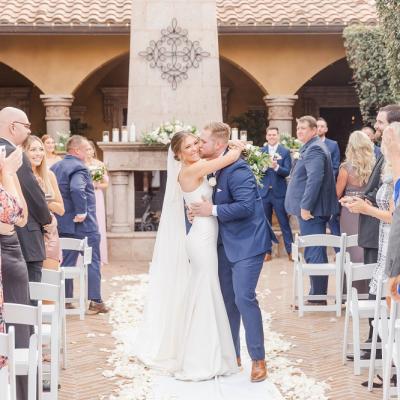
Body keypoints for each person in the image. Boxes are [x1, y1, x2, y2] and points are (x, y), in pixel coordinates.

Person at [190, 122, 276, 382]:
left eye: (203, 141)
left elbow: (246, 207)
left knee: (244, 298)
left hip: (248, 242)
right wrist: (198, 212)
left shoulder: (238, 170)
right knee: (227, 300)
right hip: (222, 243)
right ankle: (232, 355)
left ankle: (258, 359)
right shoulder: (211, 166)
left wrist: (212, 210)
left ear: (218, 144)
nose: (199, 145)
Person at [285, 116, 338, 303]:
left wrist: (306, 207)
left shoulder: (315, 148)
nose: (299, 131)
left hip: (312, 211)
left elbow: (315, 179)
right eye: (298, 128)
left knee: (314, 251)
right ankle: (316, 292)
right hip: (311, 211)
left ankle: (318, 296)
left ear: (314, 130)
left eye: (303, 128)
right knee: (313, 250)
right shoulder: (310, 146)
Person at [52, 135, 107, 314]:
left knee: (67, 262)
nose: (88, 152)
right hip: (85, 226)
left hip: (64, 225)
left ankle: (67, 300)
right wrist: (82, 212)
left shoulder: (55, 167)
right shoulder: (79, 167)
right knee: (92, 261)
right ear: (76, 150)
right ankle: (95, 301)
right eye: (85, 149)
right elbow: (77, 188)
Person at [0, 107, 52, 286]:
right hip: (23, 238)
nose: (29, 131)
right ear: (13, 127)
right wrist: (47, 220)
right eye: (26, 126)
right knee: (27, 296)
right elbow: (33, 194)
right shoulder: (13, 154)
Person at [359, 105, 400, 265]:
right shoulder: (386, 154)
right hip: (380, 234)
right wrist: (364, 200)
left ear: (394, 127)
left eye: (380, 122)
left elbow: (395, 213)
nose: (375, 126)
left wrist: (366, 207)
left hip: (389, 238)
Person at [23, 136, 65, 269]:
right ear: (23, 152)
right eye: (33, 150)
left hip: (49, 233)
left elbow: (61, 209)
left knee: (50, 278)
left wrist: (43, 198)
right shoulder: (18, 176)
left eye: (41, 149)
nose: (38, 153)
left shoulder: (49, 175)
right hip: (27, 233)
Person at [336, 130, 375, 264]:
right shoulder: (374, 166)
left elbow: (337, 193)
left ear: (350, 146)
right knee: (366, 244)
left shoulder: (345, 168)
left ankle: (351, 276)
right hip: (369, 209)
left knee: (351, 246)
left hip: (350, 210)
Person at [260, 126, 293, 261]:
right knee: (265, 223)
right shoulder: (260, 151)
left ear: (278, 136)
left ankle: (291, 251)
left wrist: (276, 167)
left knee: (284, 223)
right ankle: (267, 252)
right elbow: (256, 171)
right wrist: (263, 166)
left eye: (274, 135)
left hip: (279, 192)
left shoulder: (284, 151)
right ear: (266, 136)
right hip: (264, 192)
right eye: (269, 135)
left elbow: (287, 171)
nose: (272, 137)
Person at [316, 117, 341, 244]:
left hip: (329, 187)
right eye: (317, 126)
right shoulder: (309, 144)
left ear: (326, 129)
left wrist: (326, 179)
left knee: (332, 220)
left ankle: (338, 251)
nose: (319, 128)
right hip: (314, 188)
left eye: (322, 126)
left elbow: (336, 166)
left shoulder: (333, 144)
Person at [86, 140, 108, 265]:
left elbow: (106, 184)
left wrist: (96, 185)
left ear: (94, 150)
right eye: (86, 149)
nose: (88, 151)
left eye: (90, 149)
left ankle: (98, 256)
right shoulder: (80, 164)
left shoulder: (99, 164)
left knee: (97, 222)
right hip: (84, 195)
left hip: (97, 195)